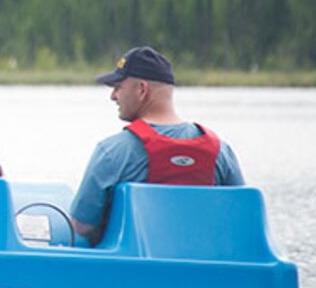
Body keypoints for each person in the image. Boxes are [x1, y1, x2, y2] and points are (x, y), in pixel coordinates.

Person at [69, 46, 244, 244]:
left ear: (142, 89)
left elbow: (81, 228)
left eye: (118, 87)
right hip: (206, 265)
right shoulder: (221, 152)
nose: (113, 96)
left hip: (135, 268)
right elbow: (240, 219)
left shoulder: (112, 152)